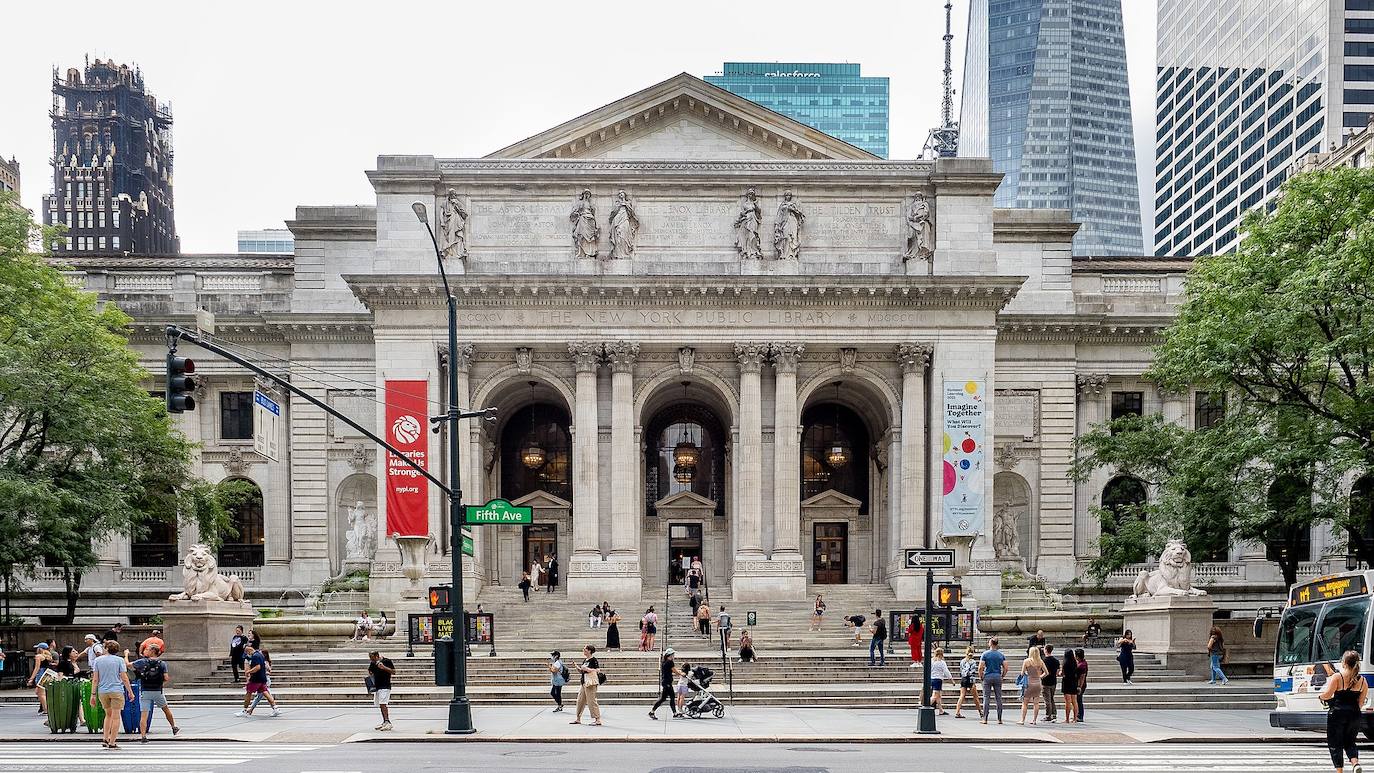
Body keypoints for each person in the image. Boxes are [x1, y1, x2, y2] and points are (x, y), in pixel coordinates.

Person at [1321, 650, 1369, 773]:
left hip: (1337, 713)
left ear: (1344, 663)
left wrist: (1320, 697)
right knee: (1350, 741)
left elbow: (1328, 694)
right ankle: (1355, 763)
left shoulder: (1337, 677)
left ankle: (1339, 771)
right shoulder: (1363, 681)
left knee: (1335, 742)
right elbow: (1361, 703)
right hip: (1354, 714)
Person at [126, 644, 179, 742]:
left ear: (152, 651)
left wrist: (126, 655)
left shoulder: (142, 662)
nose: (144, 651)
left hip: (145, 691)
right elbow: (166, 678)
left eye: (146, 649)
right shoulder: (162, 663)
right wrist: (159, 683)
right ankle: (173, 726)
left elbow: (128, 665)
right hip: (158, 691)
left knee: (144, 715)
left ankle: (143, 736)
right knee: (166, 710)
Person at [90, 640, 133, 749]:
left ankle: (105, 738)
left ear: (107, 648)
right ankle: (112, 742)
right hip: (116, 690)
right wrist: (130, 692)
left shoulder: (98, 660)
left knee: (108, 715)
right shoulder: (119, 660)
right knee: (116, 717)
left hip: (103, 691)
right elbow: (124, 677)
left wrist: (93, 694)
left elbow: (95, 679)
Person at [235, 643, 279, 717]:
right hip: (262, 678)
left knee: (248, 693)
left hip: (256, 679)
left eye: (246, 652)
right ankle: (275, 708)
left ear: (249, 650)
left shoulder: (255, 656)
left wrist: (249, 671)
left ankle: (244, 710)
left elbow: (257, 667)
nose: (247, 654)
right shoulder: (260, 654)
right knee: (266, 692)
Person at [570, 645, 602, 726]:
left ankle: (597, 719)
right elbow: (582, 671)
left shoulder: (593, 660)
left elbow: (598, 670)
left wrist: (587, 669)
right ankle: (578, 718)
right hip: (584, 682)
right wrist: (576, 667)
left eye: (585, 649)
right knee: (580, 700)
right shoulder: (585, 660)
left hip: (590, 683)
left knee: (592, 701)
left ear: (589, 651)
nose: (583, 650)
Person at [978, 637, 1006, 725]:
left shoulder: (985, 654)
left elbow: (980, 667)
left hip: (988, 676)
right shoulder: (1001, 655)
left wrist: (981, 676)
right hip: (997, 676)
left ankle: (985, 718)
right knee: (998, 698)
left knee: (986, 697)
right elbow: (1006, 667)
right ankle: (999, 719)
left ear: (990, 643)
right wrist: (1002, 676)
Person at [1018, 645, 1046, 726]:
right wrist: (1040, 676)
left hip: (1029, 683)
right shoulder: (1040, 661)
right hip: (1038, 683)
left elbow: (1022, 673)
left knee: (1025, 703)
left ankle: (1022, 720)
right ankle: (1034, 720)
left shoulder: (1026, 661)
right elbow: (1046, 672)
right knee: (1036, 703)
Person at [367, 651, 395, 731]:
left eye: (372, 658)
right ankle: (384, 722)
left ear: (377, 656)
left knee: (383, 704)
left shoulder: (386, 661)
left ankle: (388, 722)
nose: (371, 660)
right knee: (380, 704)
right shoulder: (373, 663)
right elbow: (370, 671)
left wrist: (384, 667)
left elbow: (393, 672)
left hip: (385, 686)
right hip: (377, 686)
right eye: (370, 658)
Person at [650, 648, 678, 719]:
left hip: (665, 681)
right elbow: (675, 671)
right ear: (670, 655)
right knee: (670, 697)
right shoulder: (670, 662)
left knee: (664, 698)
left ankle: (652, 711)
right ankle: (674, 713)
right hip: (667, 682)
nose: (674, 656)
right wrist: (681, 673)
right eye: (673, 654)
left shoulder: (664, 661)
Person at [953, 645, 980, 719]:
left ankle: (957, 712)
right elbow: (973, 672)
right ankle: (981, 712)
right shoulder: (973, 662)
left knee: (962, 696)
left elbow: (961, 670)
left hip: (964, 679)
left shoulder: (962, 661)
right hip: (970, 679)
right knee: (975, 697)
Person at [26, 642, 52, 715]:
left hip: (40, 675)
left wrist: (31, 678)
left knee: (41, 694)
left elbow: (37, 668)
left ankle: (46, 710)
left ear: (40, 649)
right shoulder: (48, 656)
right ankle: (45, 708)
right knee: (38, 692)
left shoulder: (38, 656)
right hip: (46, 675)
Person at [929, 647, 953, 715]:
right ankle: (926, 706)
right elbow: (946, 672)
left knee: (938, 696)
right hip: (938, 680)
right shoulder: (941, 662)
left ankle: (941, 710)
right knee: (935, 696)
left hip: (932, 679)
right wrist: (951, 680)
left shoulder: (931, 661)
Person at [1060, 645, 1080, 724]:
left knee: (1067, 702)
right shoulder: (1075, 662)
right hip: (1074, 682)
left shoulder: (1065, 663)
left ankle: (1067, 719)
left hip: (1066, 681)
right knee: (1074, 701)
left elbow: (1062, 673)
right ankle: (1075, 718)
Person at [1041, 644, 1060, 723]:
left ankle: (1048, 715)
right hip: (1053, 681)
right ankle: (1054, 714)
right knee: (1051, 698)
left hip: (1045, 682)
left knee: (1047, 700)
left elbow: (1041, 671)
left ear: (1046, 650)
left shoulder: (1044, 661)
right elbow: (1058, 672)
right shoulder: (1056, 660)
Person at [1074, 648, 1089, 722]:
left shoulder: (1082, 665)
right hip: (1080, 684)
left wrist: (1079, 686)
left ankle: (1080, 715)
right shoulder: (1083, 662)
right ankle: (1077, 714)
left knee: (1079, 700)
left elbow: (1082, 677)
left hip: (1080, 685)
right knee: (1077, 700)